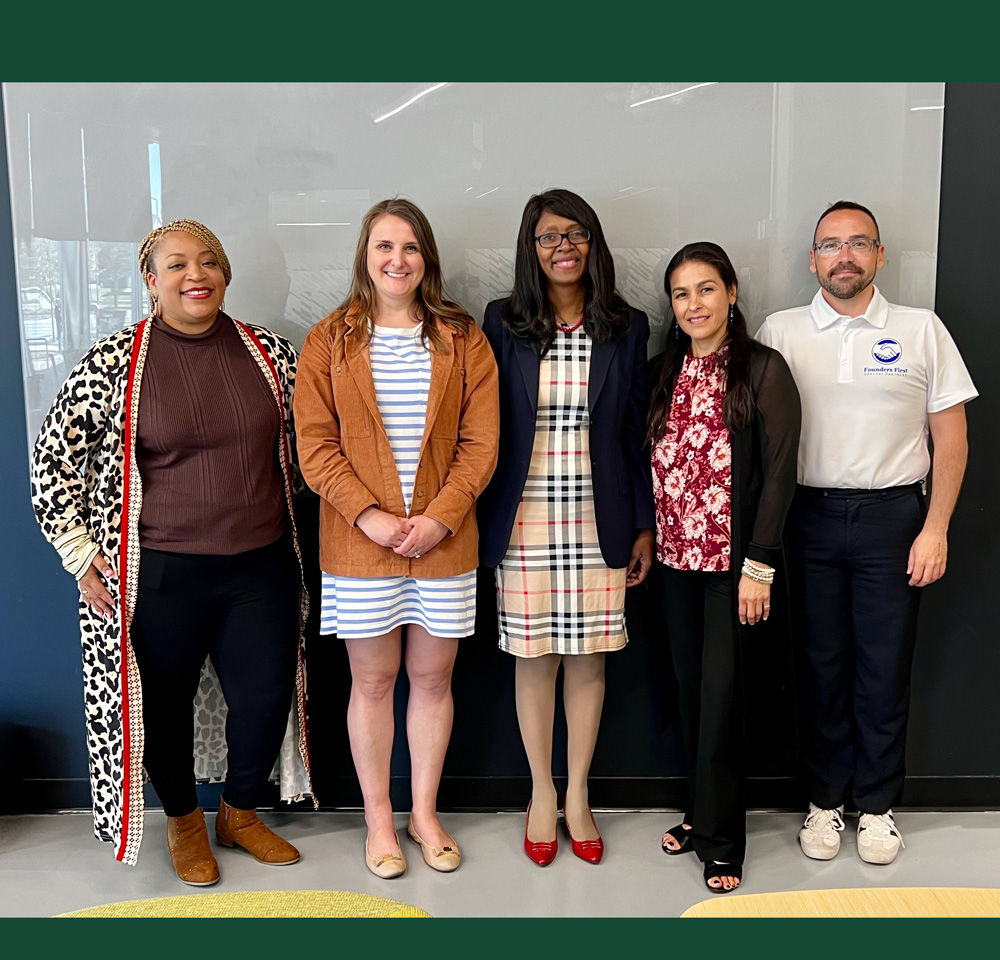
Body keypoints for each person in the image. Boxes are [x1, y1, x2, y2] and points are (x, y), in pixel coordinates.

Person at [30, 219, 313, 884]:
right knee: (163, 705)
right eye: (178, 264)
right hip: (160, 573)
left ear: (226, 276)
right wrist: (79, 555)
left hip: (261, 565)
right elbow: (52, 461)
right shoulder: (113, 363)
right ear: (151, 281)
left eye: (210, 262)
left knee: (265, 697)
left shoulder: (271, 355)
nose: (197, 275)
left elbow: (317, 446)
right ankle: (185, 823)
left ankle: (239, 814)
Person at [756, 200, 977, 864]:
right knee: (820, 666)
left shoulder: (921, 329)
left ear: (880, 255)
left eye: (858, 244)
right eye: (830, 245)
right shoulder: (781, 330)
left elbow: (952, 438)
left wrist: (935, 527)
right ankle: (825, 804)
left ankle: (877, 808)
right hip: (808, 517)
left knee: (884, 668)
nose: (843, 256)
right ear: (813, 259)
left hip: (894, 519)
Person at [294, 198, 498, 878]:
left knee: (433, 680)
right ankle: (379, 820)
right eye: (384, 246)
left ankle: (425, 814)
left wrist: (440, 515)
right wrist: (370, 517)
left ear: (426, 259)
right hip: (360, 545)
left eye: (409, 247)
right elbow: (315, 447)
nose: (397, 259)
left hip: (444, 542)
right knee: (374, 683)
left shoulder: (462, 337)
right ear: (365, 256)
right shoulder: (330, 341)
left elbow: (482, 441)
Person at [477, 189, 655, 867]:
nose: (563, 248)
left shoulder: (627, 324)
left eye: (576, 235)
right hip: (522, 519)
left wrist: (642, 524)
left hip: (598, 514)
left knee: (589, 659)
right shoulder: (503, 321)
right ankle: (542, 792)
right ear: (531, 248)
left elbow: (636, 433)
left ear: (594, 244)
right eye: (549, 237)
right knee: (534, 659)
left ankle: (579, 792)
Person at [647, 242, 800, 893]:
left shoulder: (763, 369)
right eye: (681, 293)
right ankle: (700, 812)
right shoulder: (662, 371)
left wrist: (759, 565)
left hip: (734, 569)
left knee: (723, 701)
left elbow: (782, 473)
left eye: (705, 289)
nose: (694, 304)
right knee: (689, 697)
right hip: (673, 565)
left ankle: (722, 841)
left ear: (731, 292)